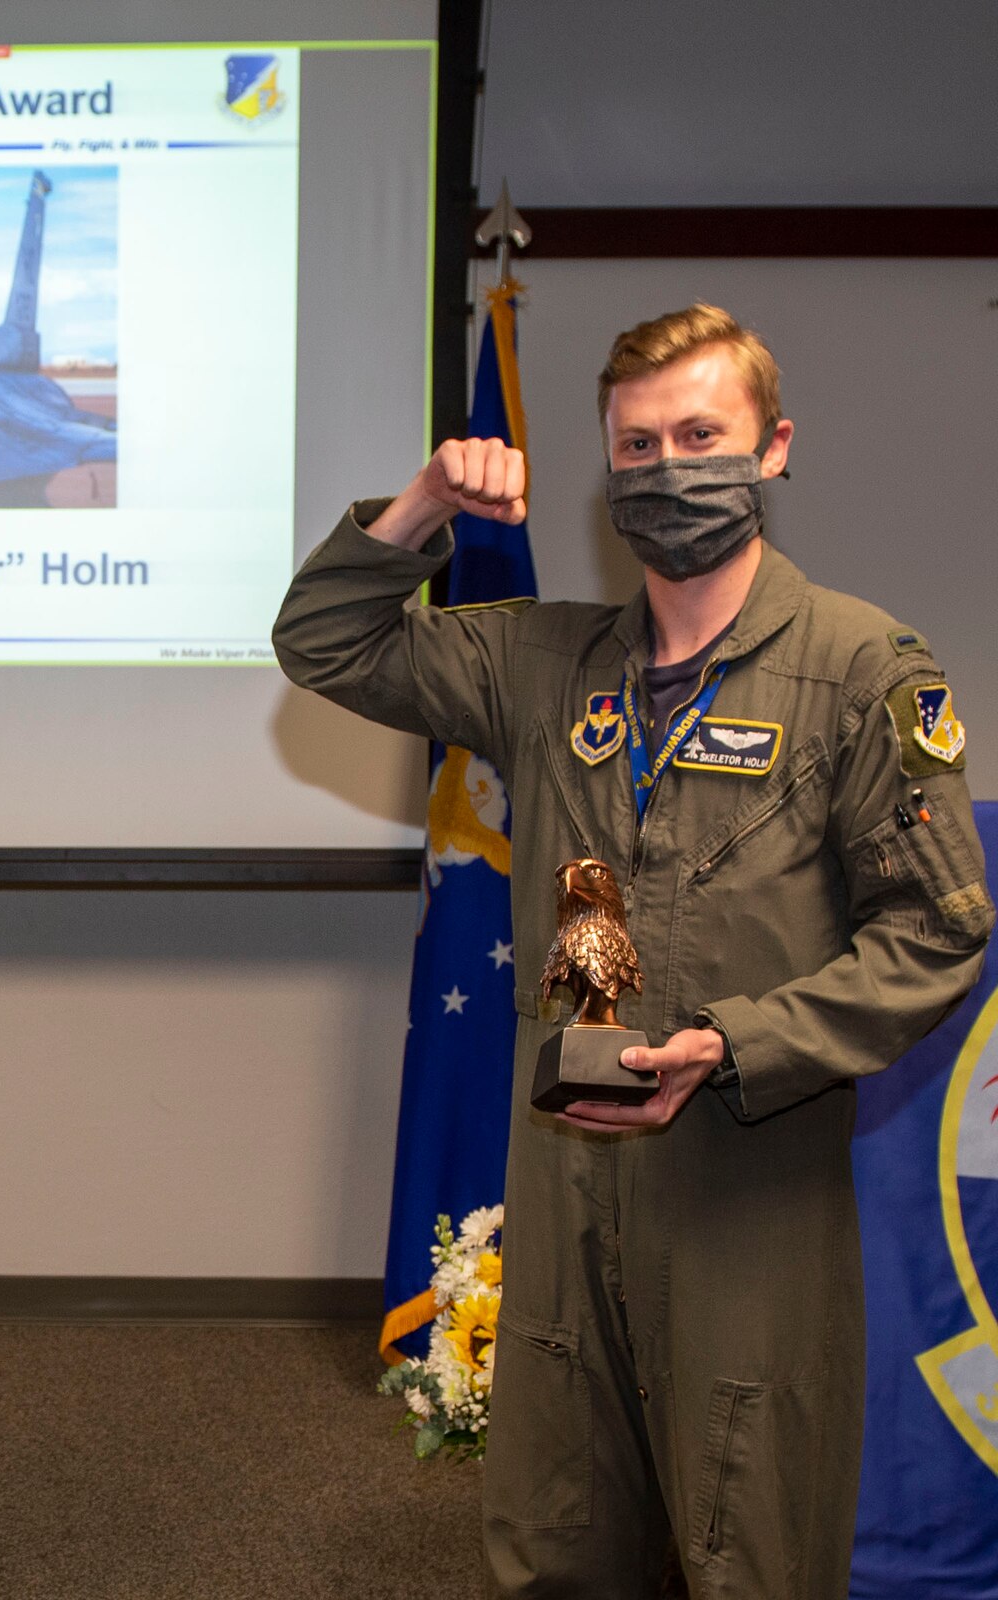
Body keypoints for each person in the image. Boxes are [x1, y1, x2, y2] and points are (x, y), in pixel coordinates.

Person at [274, 304, 990, 1596]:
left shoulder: (859, 670)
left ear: (775, 449)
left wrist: (737, 1045)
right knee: (557, 1549)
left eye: (702, 435)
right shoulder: (543, 663)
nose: (671, 471)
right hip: (565, 1195)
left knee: (750, 1554)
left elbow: (938, 930)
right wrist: (427, 505)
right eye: (639, 445)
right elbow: (328, 641)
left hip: (747, 1197)